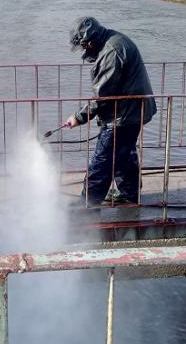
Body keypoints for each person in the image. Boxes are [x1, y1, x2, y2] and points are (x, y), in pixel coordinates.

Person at [63, 16, 156, 206]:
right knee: (124, 153)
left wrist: (78, 117)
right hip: (131, 111)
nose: (84, 50)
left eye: (84, 46)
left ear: (91, 40)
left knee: (103, 160)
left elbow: (102, 96)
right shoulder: (112, 40)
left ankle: (87, 206)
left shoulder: (111, 52)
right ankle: (130, 195)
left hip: (124, 115)